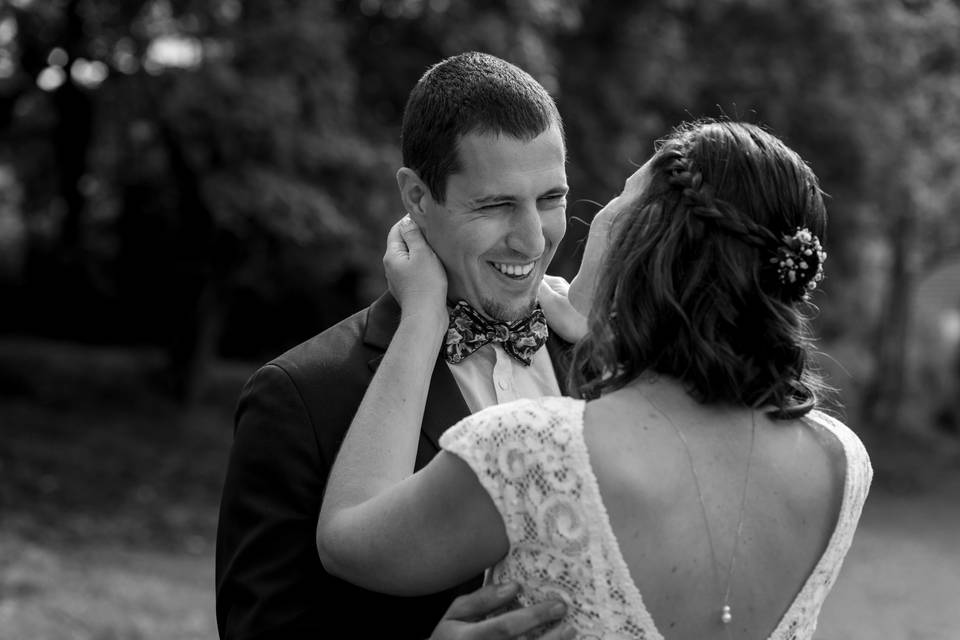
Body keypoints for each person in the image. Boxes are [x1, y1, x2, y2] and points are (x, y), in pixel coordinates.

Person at [317, 120, 874, 639]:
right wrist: (602, 330)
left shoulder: (533, 450)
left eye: (622, 198)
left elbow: (347, 539)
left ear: (645, 242)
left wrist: (420, 321)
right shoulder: (842, 462)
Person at [215, 52, 577, 639]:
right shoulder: (300, 397)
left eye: (551, 198)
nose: (533, 238)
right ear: (416, 196)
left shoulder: (606, 356)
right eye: (495, 204)